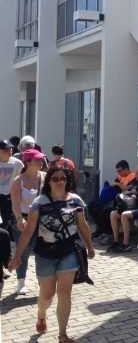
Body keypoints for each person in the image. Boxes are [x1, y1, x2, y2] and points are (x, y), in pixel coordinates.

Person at [10, 165, 95, 343]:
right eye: (55, 178)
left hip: (68, 251)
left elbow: (83, 225)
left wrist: (90, 246)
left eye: (63, 178)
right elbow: (28, 231)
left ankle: (62, 334)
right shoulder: (40, 202)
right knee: (47, 296)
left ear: (68, 181)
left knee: (65, 293)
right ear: (48, 181)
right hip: (45, 254)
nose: (59, 181)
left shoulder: (76, 201)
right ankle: (41, 314)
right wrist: (17, 255)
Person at [10, 148, 46, 295]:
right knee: (23, 252)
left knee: (42, 252)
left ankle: (42, 281)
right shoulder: (18, 181)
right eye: (37, 159)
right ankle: (21, 282)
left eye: (41, 159)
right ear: (28, 162)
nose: (41, 161)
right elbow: (15, 203)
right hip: (24, 219)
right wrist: (19, 219)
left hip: (42, 220)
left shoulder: (45, 177)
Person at [106, 166, 138, 252]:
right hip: (129, 206)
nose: (135, 175)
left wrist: (127, 192)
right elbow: (126, 190)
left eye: (137, 173)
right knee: (113, 214)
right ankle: (116, 241)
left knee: (123, 215)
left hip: (136, 207)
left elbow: (130, 192)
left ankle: (126, 244)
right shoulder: (136, 182)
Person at [89, 160, 136, 239]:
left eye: (120, 171)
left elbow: (128, 190)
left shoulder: (133, 177)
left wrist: (117, 184)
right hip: (113, 200)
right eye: (117, 171)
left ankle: (109, 233)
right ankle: (101, 229)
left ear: (126, 169)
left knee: (105, 211)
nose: (118, 173)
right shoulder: (120, 177)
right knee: (92, 205)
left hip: (123, 203)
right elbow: (112, 184)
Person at [0, 140, 24, 234]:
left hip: (9, 197)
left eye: (10, 148)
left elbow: (22, 179)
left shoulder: (17, 163)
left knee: (6, 222)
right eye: (6, 149)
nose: (10, 150)